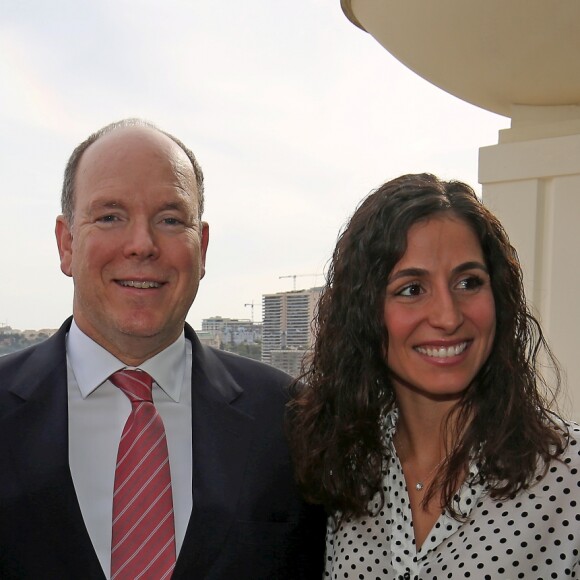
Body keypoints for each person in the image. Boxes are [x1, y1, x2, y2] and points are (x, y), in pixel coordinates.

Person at [0, 118, 325, 579]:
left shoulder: (292, 418)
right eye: (110, 216)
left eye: (171, 220)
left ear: (203, 246)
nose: (142, 245)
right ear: (67, 243)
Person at [287, 173, 580, 579]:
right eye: (412, 289)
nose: (447, 316)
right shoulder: (343, 469)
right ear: (365, 312)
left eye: (468, 282)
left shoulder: (569, 475)